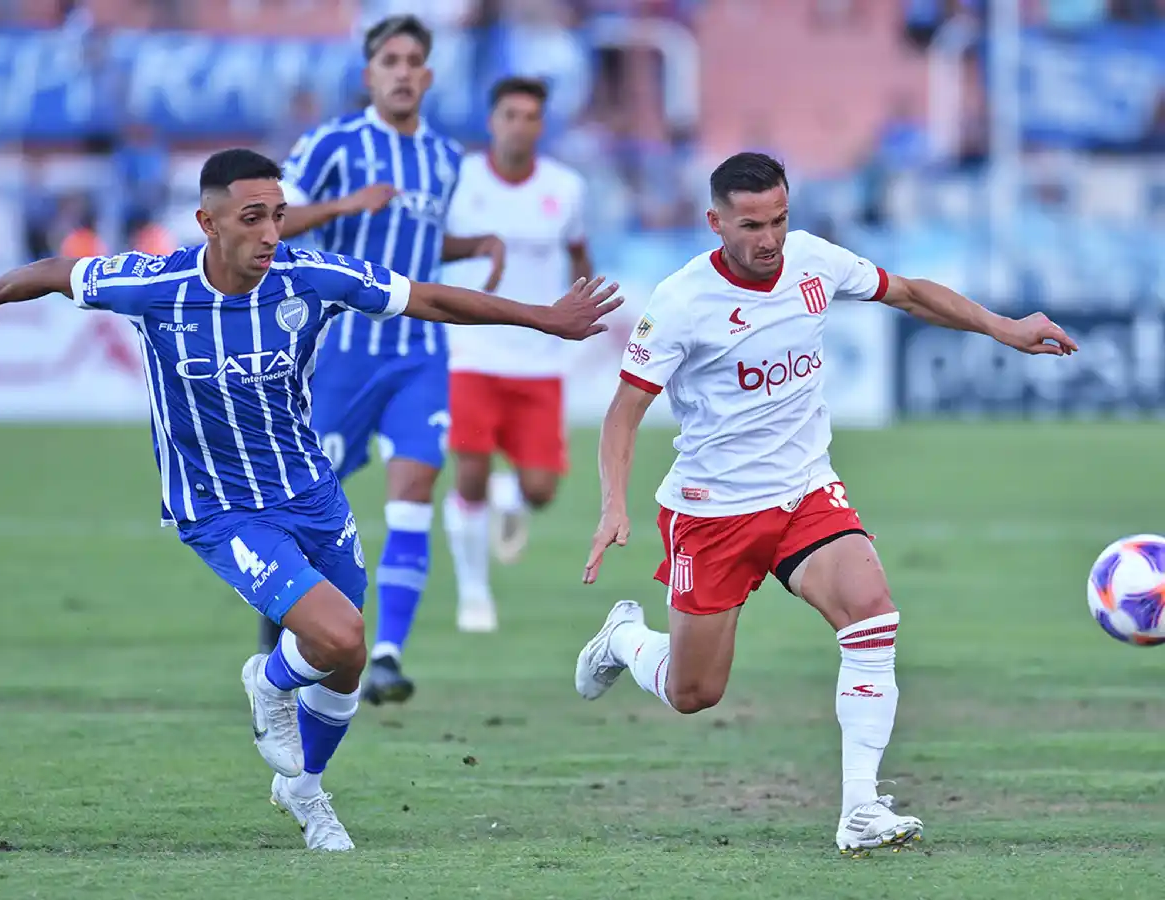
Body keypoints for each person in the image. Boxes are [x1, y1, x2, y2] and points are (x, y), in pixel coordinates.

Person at [0, 148, 621, 852]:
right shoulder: (152, 283)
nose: (273, 233)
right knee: (334, 635)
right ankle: (269, 678)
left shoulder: (308, 279)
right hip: (220, 509)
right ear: (208, 223)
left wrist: (541, 317)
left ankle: (305, 790)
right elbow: (52, 273)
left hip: (312, 495)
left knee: (348, 658)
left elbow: (425, 297)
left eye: (278, 216)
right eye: (253, 218)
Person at [574, 151, 1077, 856]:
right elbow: (624, 412)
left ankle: (861, 808)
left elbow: (905, 292)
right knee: (694, 693)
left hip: (806, 489)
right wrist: (613, 507)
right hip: (715, 511)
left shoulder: (813, 262)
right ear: (714, 221)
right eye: (751, 225)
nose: (769, 238)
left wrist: (1002, 326)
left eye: (779, 219)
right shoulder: (682, 301)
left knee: (873, 613)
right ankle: (625, 639)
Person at [261, 14, 506, 705]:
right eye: (389, 60)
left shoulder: (444, 156)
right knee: (301, 508)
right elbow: (270, 219)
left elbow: (417, 246)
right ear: (370, 75)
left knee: (412, 497)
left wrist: (474, 243)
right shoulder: (334, 143)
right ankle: (278, 623)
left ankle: (388, 653)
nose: (402, 71)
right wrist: (348, 203)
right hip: (341, 352)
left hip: (418, 353)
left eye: (413, 60)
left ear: (428, 75)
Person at [439, 76, 592, 633]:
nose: (520, 125)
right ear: (491, 120)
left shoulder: (566, 187)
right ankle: (474, 594)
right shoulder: (460, 181)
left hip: (537, 355)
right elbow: (430, 245)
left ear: (541, 125)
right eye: (510, 114)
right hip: (472, 347)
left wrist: (584, 304)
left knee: (540, 490)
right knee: (470, 471)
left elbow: (579, 251)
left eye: (531, 116)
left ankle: (513, 497)